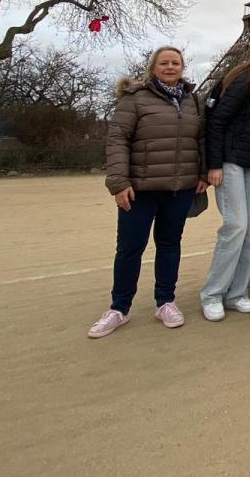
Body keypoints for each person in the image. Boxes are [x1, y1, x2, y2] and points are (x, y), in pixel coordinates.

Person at [89, 47, 207, 338]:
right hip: (139, 188)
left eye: (175, 63)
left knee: (170, 245)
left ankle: (165, 301)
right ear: (153, 67)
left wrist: (202, 173)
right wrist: (118, 181)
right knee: (130, 247)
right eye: (164, 63)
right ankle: (119, 307)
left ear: (183, 67)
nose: (170, 67)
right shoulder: (135, 99)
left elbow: (202, 138)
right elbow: (118, 139)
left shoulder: (192, 101)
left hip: (178, 187)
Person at [198, 44, 250, 322]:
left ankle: (235, 294)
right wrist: (214, 164)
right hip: (231, 161)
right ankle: (212, 293)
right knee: (236, 226)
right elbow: (217, 121)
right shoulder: (245, 81)